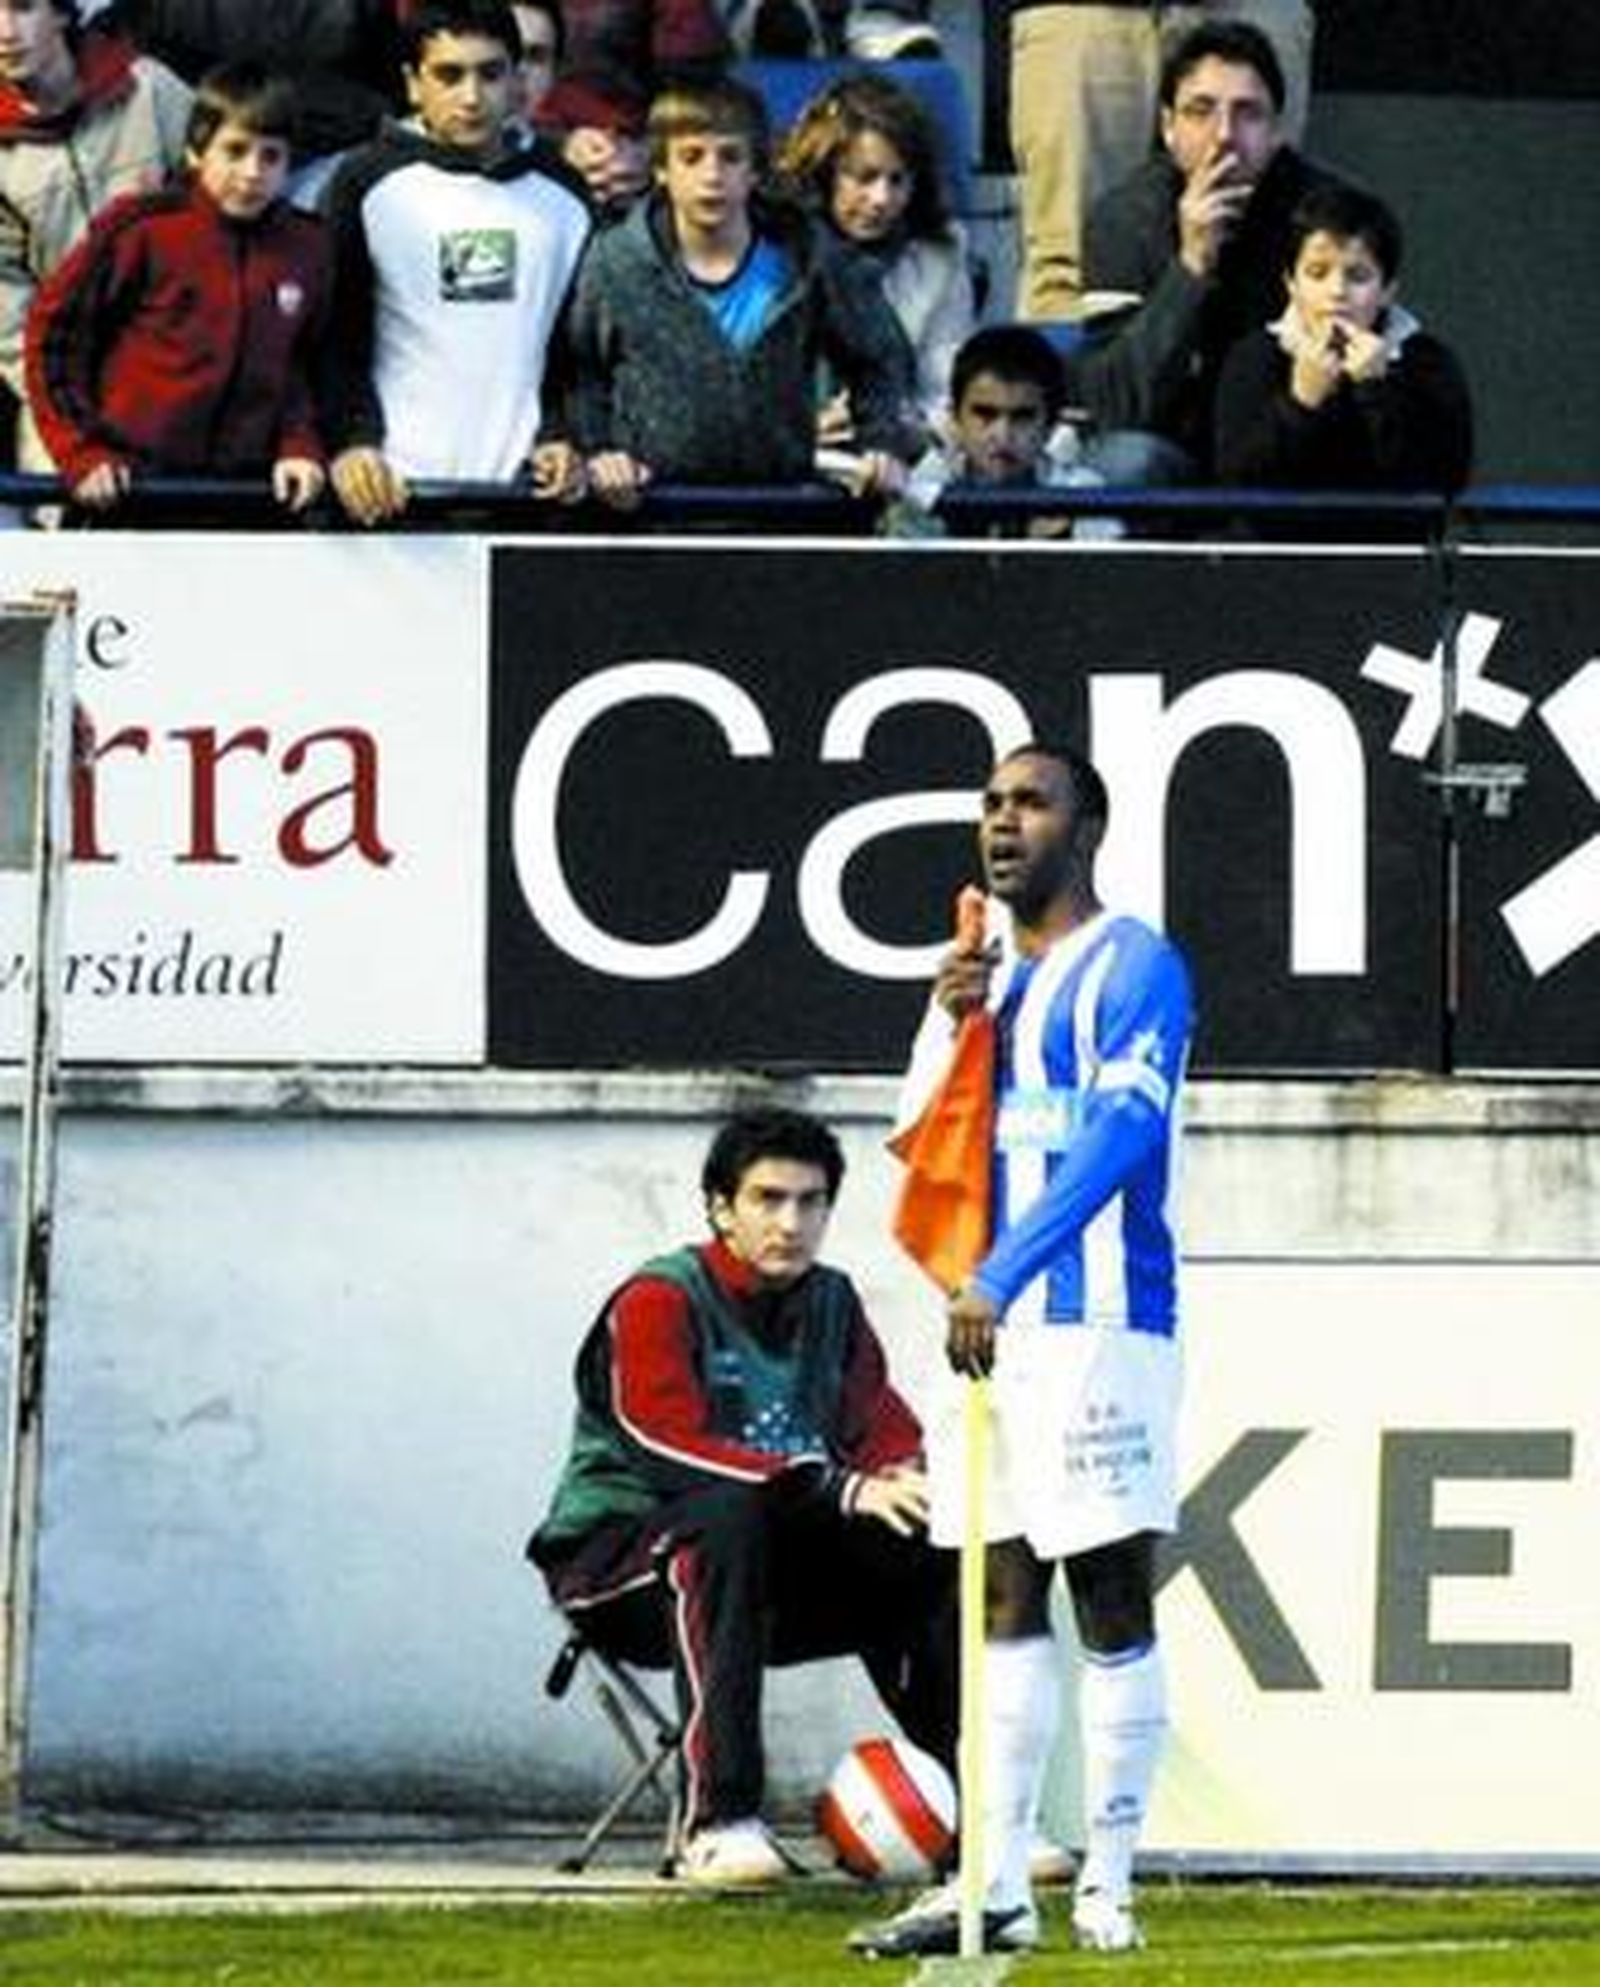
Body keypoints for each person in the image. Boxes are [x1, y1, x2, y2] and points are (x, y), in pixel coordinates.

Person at [852, 744, 1194, 1958]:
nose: (1003, 823)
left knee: (1106, 1587)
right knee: (994, 1593)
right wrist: (947, 1023)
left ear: (1085, 827)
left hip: (1097, 1321)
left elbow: (1121, 1134)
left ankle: (1107, 1880)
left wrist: (1006, 1269)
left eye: (1031, 803)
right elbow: (919, 1137)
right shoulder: (980, 977)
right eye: (990, 803)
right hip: (984, 1326)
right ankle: (994, 1878)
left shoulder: (1137, 964)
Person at [527, 1107, 959, 1886]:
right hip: (617, 1563)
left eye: (811, 1201)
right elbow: (665, 1445)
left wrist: (909, 1478)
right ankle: (719, 1822)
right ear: (721, 1207)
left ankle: (984, 1815)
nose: (790, 1221)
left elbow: (881, 1427)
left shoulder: (833, 1300)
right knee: (724, 1520)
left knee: (929, 1534)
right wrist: (837, 1486)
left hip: (759, 1565)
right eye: (767, 1199)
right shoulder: (657, 1298)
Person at [567, 73, 914, 505]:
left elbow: (880, 358)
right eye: (691, 157)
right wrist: (600, 451)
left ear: (755, 171)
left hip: (782, 511)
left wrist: (881, 442)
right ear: (660, 170)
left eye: (730, 157)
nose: (712, 175)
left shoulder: (807, 256)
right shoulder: (616, 261)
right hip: (652, 513)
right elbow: (579, 371)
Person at [319, 0, 591, 526]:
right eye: (449, 75)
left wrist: (563, 438)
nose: (471, 97)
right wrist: (352, 442)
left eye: (490, 74)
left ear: (516, 80)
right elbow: (334, 337)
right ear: (413, 83)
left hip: (530, 498)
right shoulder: (364, 182)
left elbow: (574, 353)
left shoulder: (566, 193)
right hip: (391, 492)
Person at [24, 61, 329, 515]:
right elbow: (53, 340)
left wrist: (298, 444)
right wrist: (80, 450)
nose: (251, 173)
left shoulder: (309, 246)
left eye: (271, 156)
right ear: (195, 152)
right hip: (129, 492)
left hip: (250, 498)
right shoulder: (140, 229)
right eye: (235, 151)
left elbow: (305, 366)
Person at [1072, 16, 1342, 479]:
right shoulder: (1122, 221)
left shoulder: (1330, 217)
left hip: (1290, 447)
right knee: (1124, 462)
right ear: (1167, 127)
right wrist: (1192, 267)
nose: (1224, 135)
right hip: (1172, 451)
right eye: (1200, 110)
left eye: (1247, 113)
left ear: (1277, 131)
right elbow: (1113, 409)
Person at [1008, 0, 1314, 321]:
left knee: (1276, 254)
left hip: (1253, 7)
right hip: (1084, 13)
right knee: (1069, 265)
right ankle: (1071, 370)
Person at [0, 0, 191, 471]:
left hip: (181, 380)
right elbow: (7, 317)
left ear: (65, 13)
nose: (5, 31)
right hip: (65, 404)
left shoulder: (150, 91)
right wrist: (67, 405)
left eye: (22, 8)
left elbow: (217, 222)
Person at [1213, 179, 1473, 497]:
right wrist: (1299, 404)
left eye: (1358, 277)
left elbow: (1440, 485)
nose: (1337, 292)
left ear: (1388, 291)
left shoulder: (1428, 363)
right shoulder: (1255, 357)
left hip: (1387, 543)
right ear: (1291, 284)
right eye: (1317, 273)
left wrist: (1376, 391)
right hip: (1281, 543)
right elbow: (1235, 484)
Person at [778, 69, 972, 449]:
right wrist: (802, 431)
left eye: (897, 180)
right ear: (825, 174)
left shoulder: (939, 255)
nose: (881, 199)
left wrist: (899, 430)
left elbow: (948, 395)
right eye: (864, 178)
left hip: (898, 463)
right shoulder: (772, 247)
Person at [890, 322, 1111, 538]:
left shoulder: (1084, 496)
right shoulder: (924, 485)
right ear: (955, 418)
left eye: (1022, 417)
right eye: (985, 414)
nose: (1002, 435)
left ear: (1050, 427)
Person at [534, 0, 727, 216]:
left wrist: (654, 151)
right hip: (530, 153)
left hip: (640, 168)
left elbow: (698, 84)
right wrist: (558, 142)